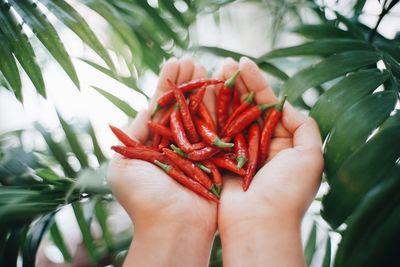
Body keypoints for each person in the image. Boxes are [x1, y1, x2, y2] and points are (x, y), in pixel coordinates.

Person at [107, 57, 324, 267]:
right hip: (197, 155)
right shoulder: (184, 135)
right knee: (211, 141)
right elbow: (191, 147)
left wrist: (265, 215)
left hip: (206, 155)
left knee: (219, 140)